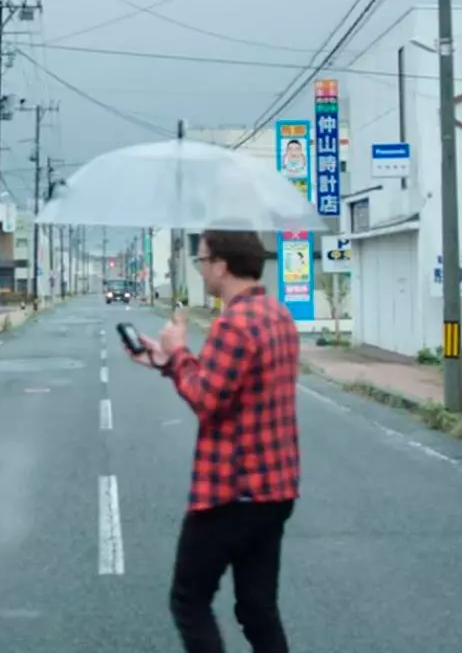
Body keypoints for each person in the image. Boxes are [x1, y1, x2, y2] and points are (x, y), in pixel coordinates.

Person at [126, 229, 300, 653]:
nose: (201, 270)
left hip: (229, 491)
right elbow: (231, 385)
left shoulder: (232, 323)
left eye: (203, 260)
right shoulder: (278, 315)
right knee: (258, 607)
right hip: (276, 488)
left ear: (222, 264)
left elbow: (207, 399)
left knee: (189, 600)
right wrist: (170, 364)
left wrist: (179, 352)